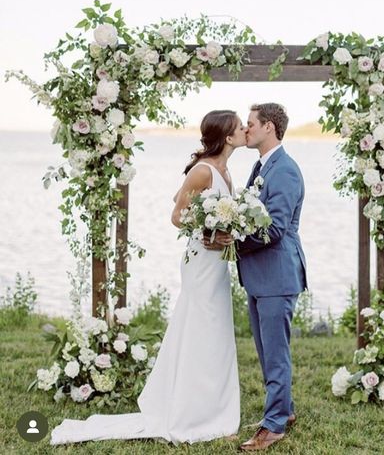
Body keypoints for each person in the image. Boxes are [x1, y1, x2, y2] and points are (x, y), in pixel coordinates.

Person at [50, 110, 247, 445]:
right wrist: (210, 236)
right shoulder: (204, 171)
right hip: (201, 262)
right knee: (200, 328)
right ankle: (191, 409)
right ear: (227, 137)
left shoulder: (225, 171)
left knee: (213, 331)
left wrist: (222, 228)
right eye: (240, 126)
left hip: (216, 266)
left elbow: (182, 202)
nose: (245, 129)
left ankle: (211, 404)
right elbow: (176, 214)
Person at [213, 103, 307, 451]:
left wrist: (236, 242)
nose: (246, 129)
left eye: (250, 124)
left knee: (275, 353)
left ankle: (274, 426)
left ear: (269, 127)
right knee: (267, 352)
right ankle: (284, 411)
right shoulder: (260, 165)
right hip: (260, 276)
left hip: (277, 274)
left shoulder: (284, 170)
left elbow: (277, 228)